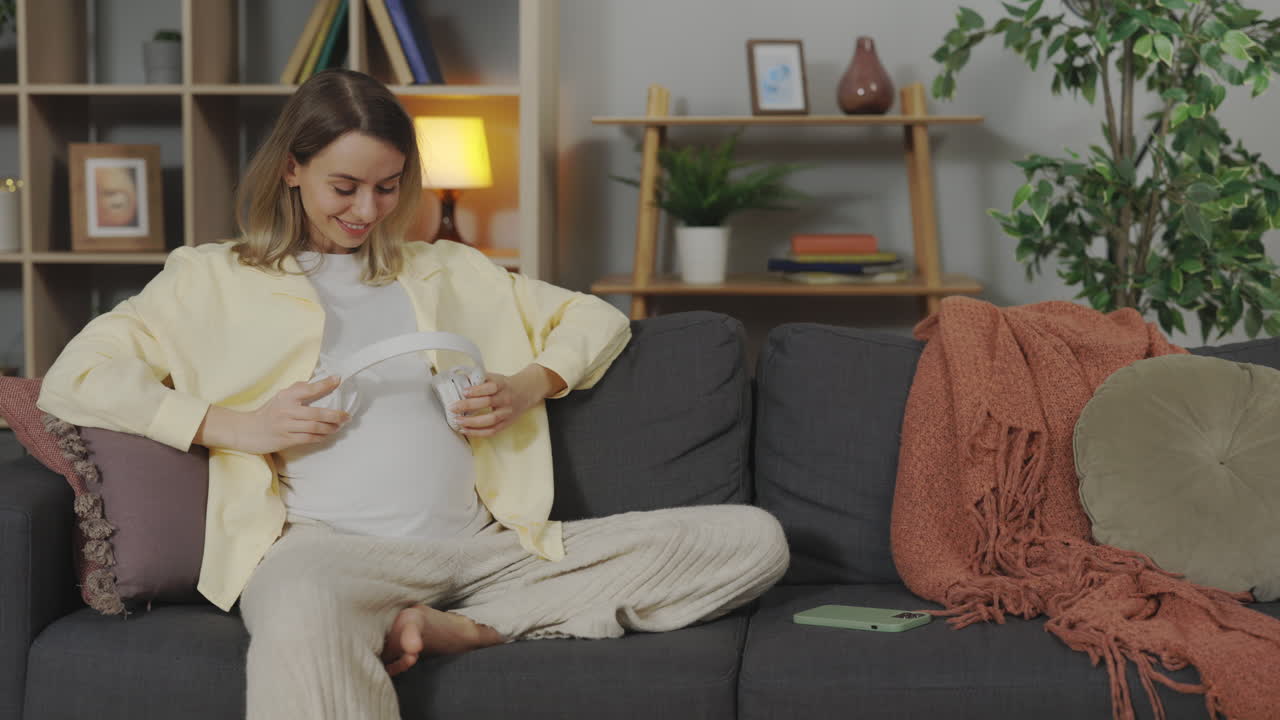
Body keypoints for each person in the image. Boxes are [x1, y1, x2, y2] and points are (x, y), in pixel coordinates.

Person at [36, 69, 789, 720]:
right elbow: (77, 377)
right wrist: (235, 425)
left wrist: (527, 386)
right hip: (326, 554)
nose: (368, 210)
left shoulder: (449, 270)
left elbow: (593, 318)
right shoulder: (209, 279)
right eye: (345, 186)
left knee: (754, 541)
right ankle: (457, 623)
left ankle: (468, 625)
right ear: (292, 169)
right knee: (298, 611)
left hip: (488, 554)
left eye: (388, 187)